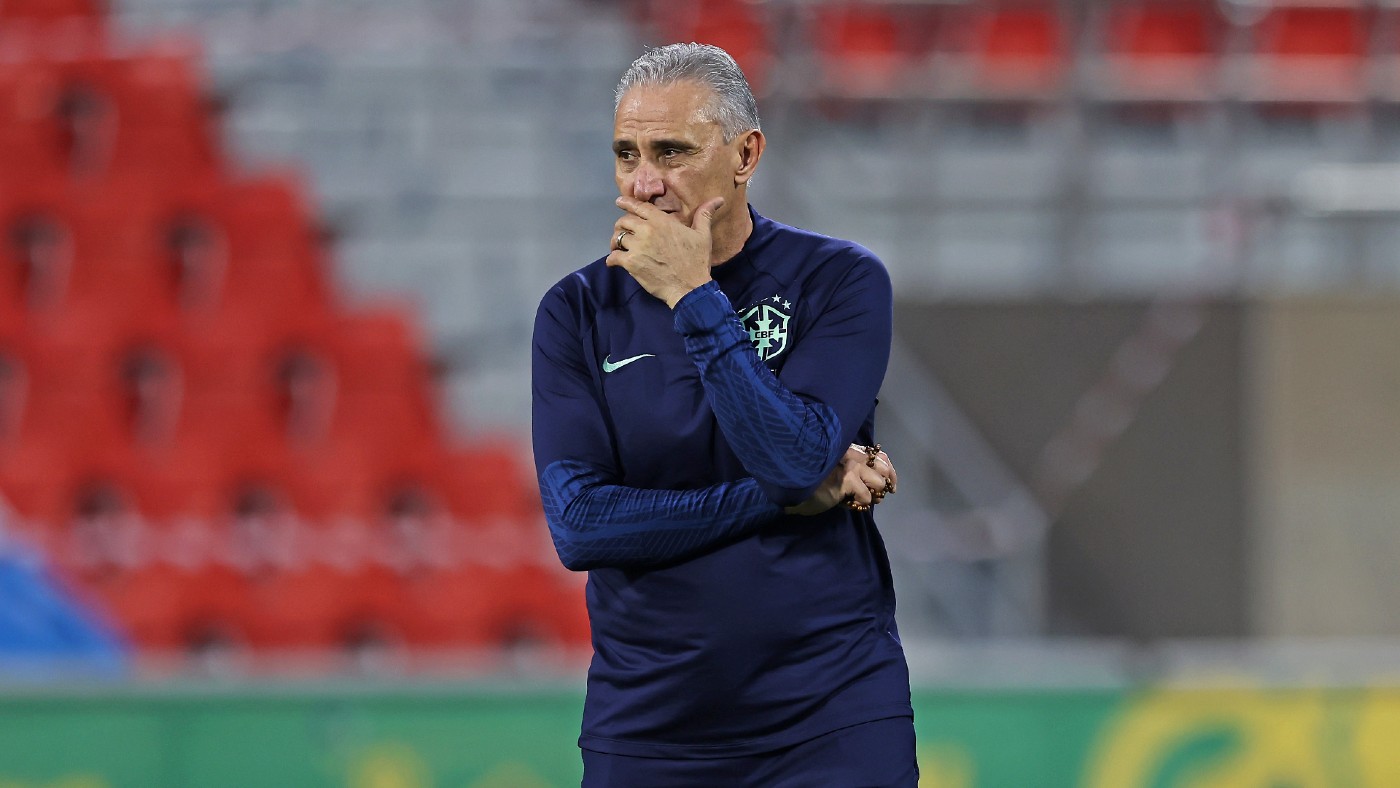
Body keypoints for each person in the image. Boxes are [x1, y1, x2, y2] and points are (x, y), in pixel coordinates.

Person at [531, 43, 917, 785]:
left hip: (831, 714)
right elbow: (582, 526)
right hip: (649, 726)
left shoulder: (838, 280)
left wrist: (693, 296)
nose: (645, 182)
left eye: (672, 152)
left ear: (745, 155)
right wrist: (788, 498)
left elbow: (792, 460)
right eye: (626, 154)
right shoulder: (576, 312)